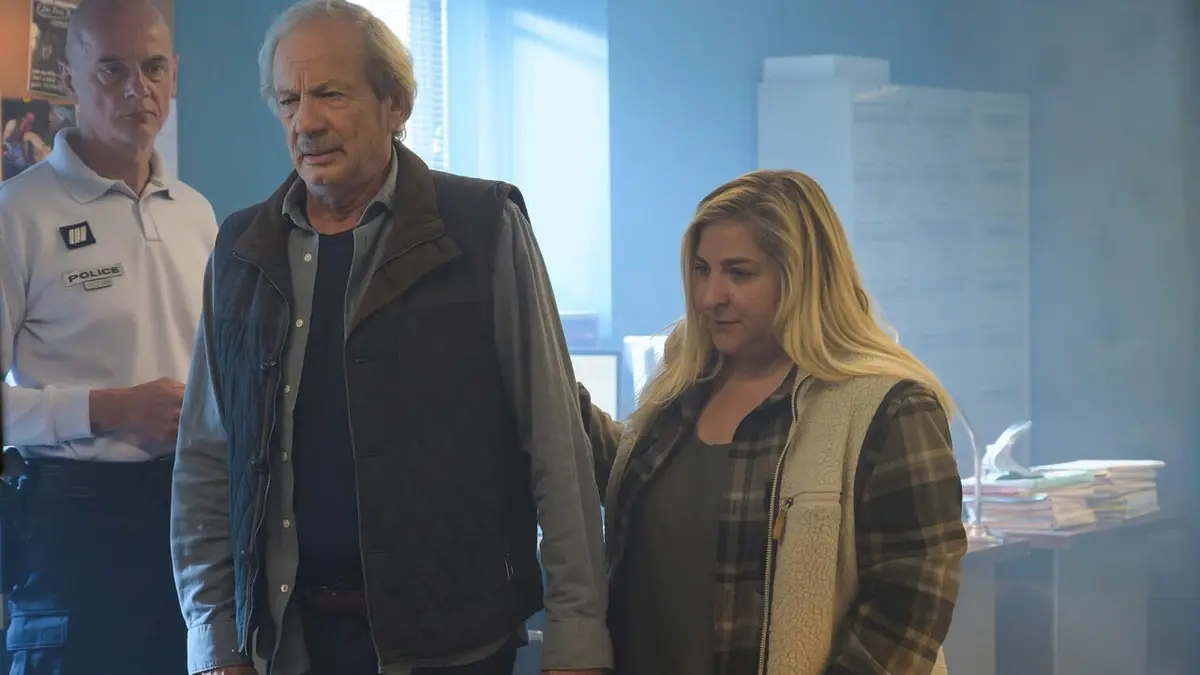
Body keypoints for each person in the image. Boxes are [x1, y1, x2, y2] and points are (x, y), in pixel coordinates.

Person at [170, 2, 610, 675]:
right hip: (289, 645)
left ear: (395, 103)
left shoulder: (483, 226)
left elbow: (554, 439)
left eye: (330, 94)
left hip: (452, 648)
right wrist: (214, 641)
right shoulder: (241, 249)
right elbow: (207, 460)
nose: (306, 121)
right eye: (289, 99)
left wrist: (577, 635)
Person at [579, 170, 968, 675]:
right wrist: (549, 390)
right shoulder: (686, 381)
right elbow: (646, 487)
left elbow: (909, 611)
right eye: (701, 270)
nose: (709, 296)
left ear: (802, 277)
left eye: (739, 274)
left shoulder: (888, 407)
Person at [0, 0, 218, 673]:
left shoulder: (197, 214)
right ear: (70, 82)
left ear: (175, 74)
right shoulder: (17, 213)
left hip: (195, 514)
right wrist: (108, 409)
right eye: (111, 70)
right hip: (72, 528)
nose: (137, 88)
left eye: (153, 68)